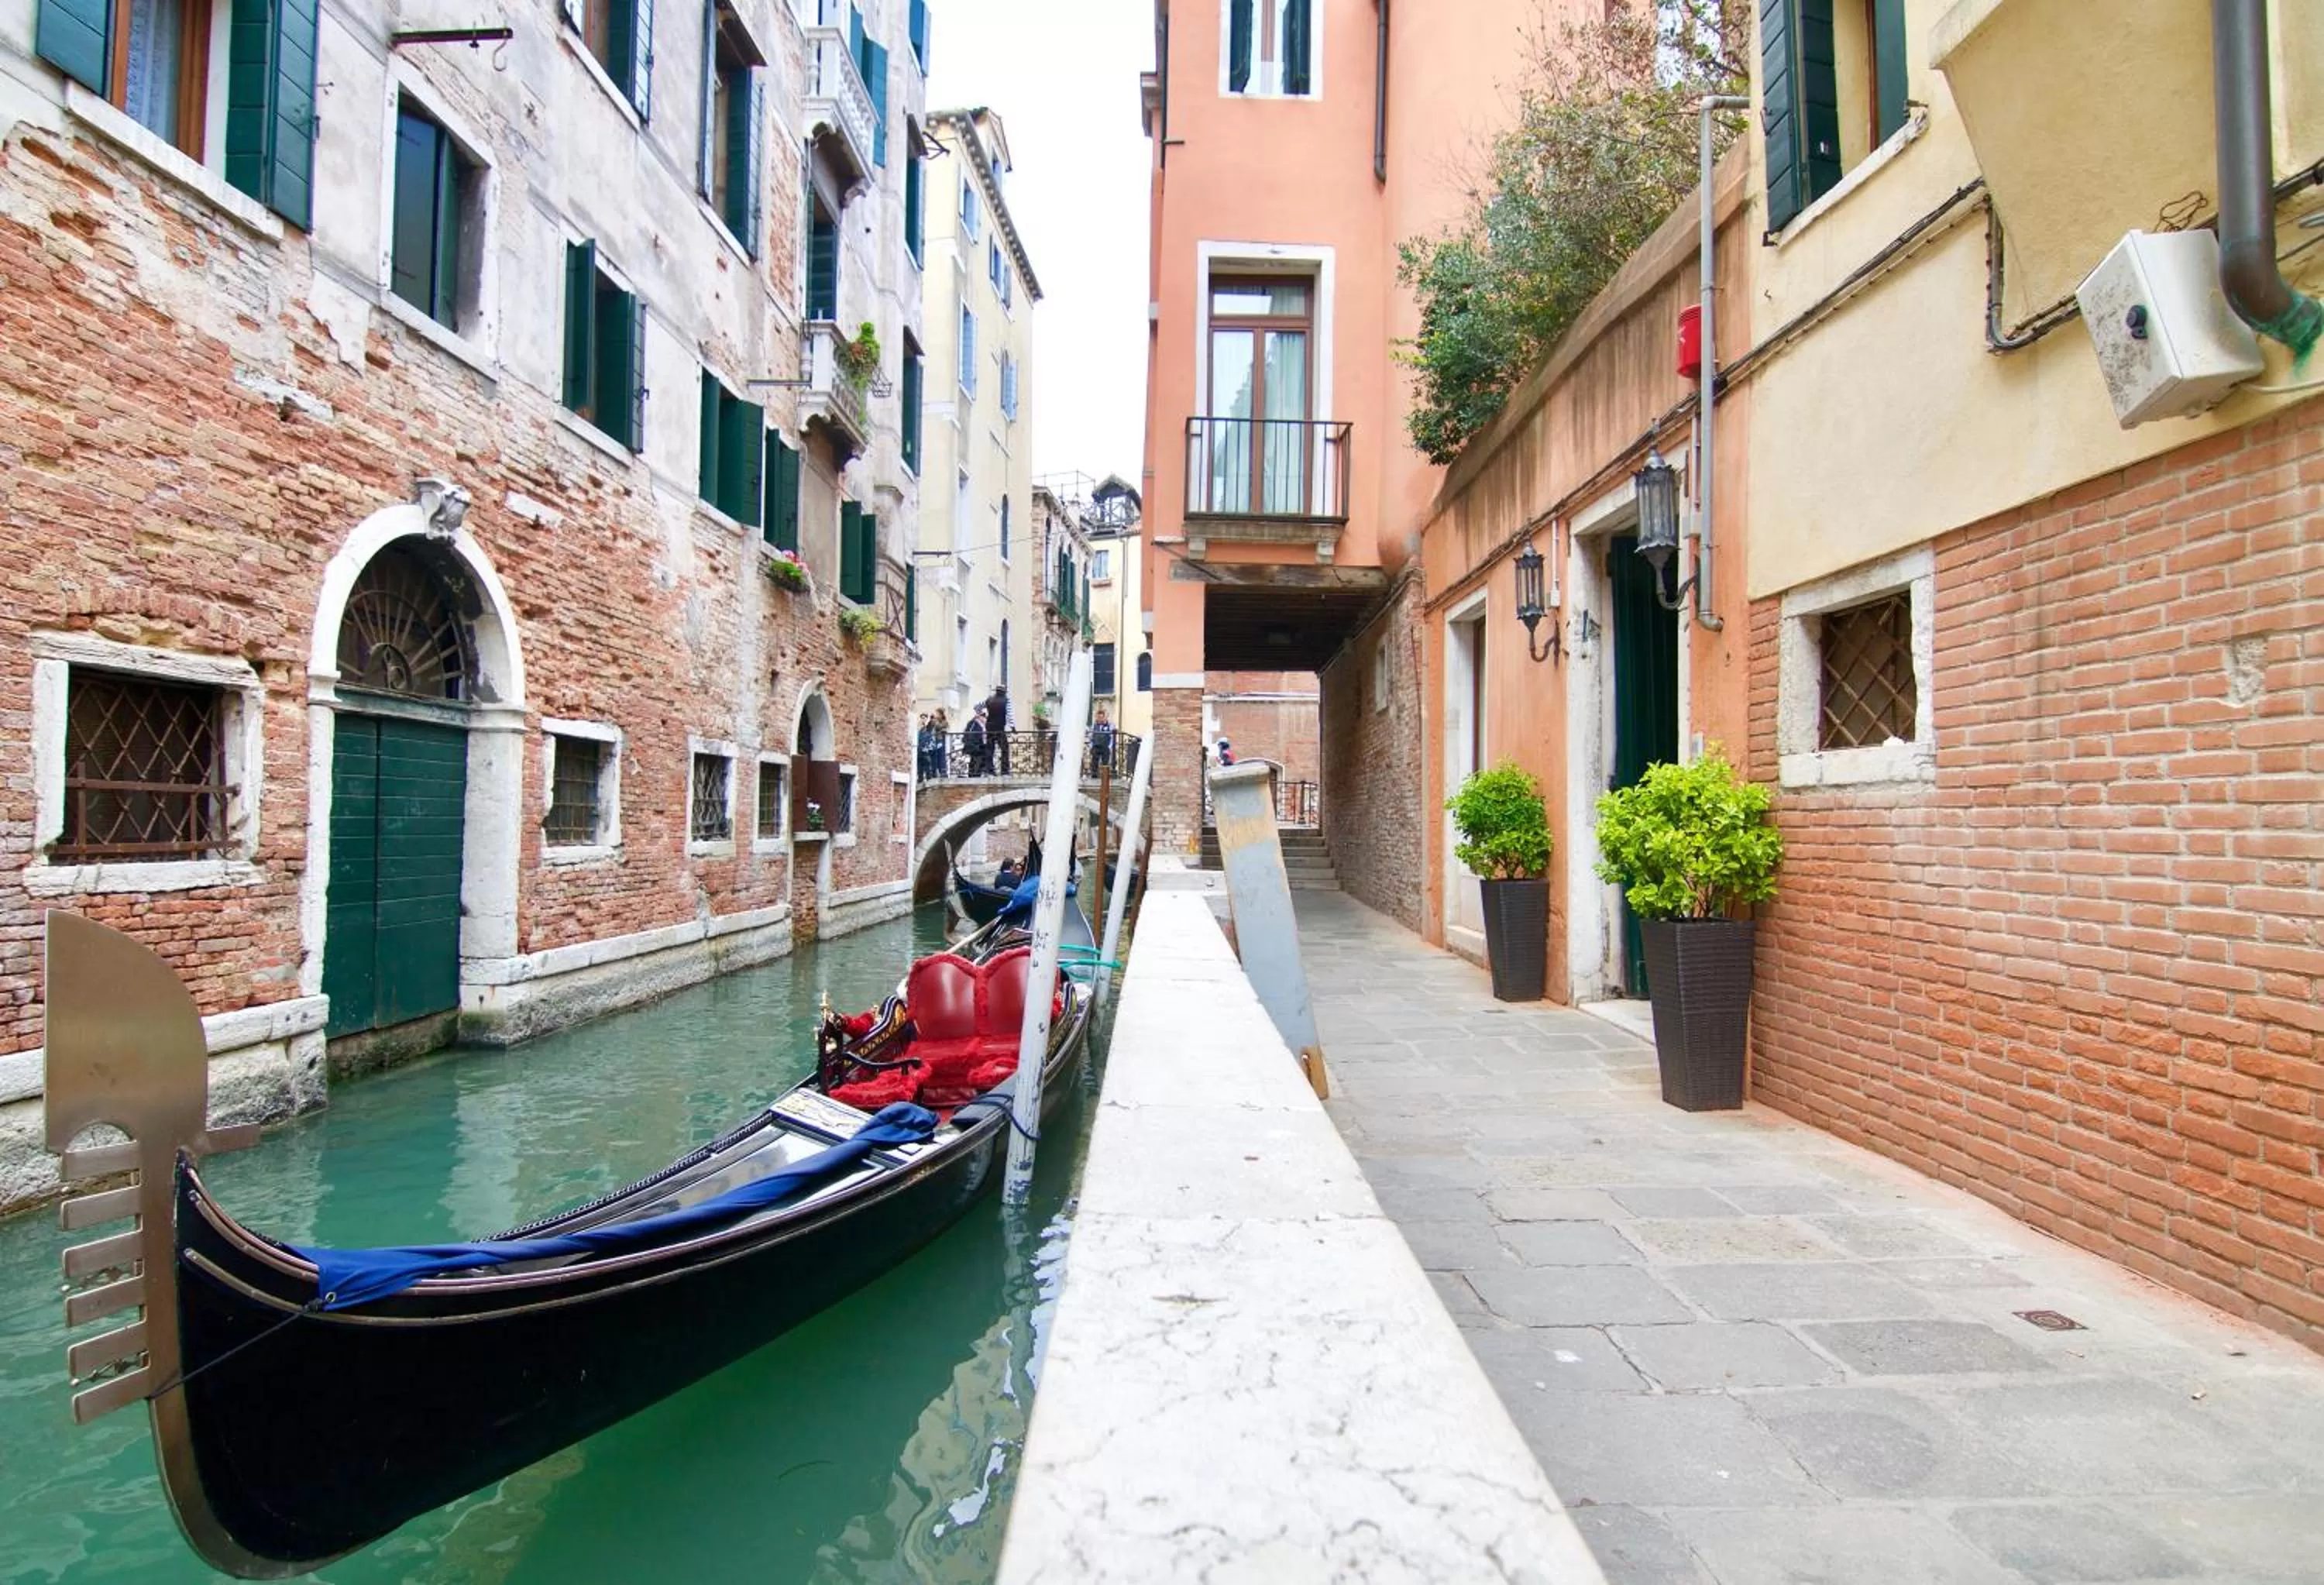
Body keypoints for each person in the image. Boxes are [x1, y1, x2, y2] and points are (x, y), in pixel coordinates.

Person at [982, 684, 1011, 775]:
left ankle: (989, 770)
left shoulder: (989, 700)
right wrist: (1013, 727)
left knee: (990, 748)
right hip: (1000, 728)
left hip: (989, 728)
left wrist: (984, 716)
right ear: (1004, 692)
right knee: (1005, 749)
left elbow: (977, 707)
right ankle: (1004, 770)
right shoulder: (1006, 701)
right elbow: (1010, 715)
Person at [963, 705, 988, 778]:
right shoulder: (973, 723)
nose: (984, 718)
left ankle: (977, 775)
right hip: (976, 747)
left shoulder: (981, 724)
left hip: (981, 747)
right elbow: (969, 736)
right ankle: (974, 776)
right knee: (976, 763)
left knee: (978, 763)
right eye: (983, 716)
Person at [1089, 707, 1116, 773]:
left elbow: (1112, 737)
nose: (1100, 719)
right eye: (1099, 717)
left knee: (1105, 762)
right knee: (1094, 761)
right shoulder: (1094, 726)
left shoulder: (1110, 725)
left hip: (1105, 746)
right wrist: (1091, 746)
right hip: (1096, 746)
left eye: (1102, 717)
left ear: (1104, 717)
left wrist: (1109, 747)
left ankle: (1105, 776)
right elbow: (1091, 737)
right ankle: (1094, 774)